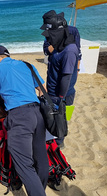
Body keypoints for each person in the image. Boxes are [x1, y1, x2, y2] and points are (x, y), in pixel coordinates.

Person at [0, 45, 49, 196]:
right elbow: (42, 88)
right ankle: (40, 188)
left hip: (19, 116)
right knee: (40, 156)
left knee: (23, 163)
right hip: (38, 113)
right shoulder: (27, 65)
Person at [40, 10, 79, 146]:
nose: (47, 38)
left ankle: (59, 142)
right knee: (54, 119)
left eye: (49, 34)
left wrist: (60, 98)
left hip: (62, 94)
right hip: (53, 91)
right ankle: (55, 139)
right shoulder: (58, 44)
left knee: (62, 118)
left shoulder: (69, 50)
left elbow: (66, 77)